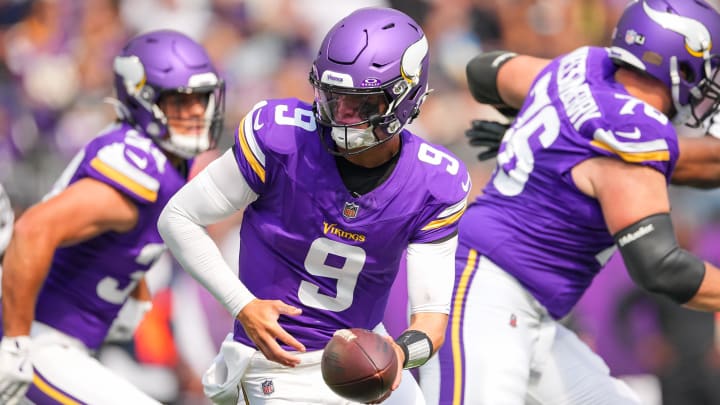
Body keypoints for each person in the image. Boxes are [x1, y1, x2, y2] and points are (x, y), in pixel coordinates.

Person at [158, 7, 469, 405]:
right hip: (276, 363)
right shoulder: (281, 137)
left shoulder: (434, 183)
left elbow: (431, 322)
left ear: (405, 98)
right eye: (333, 98)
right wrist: (243, 306)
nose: (342, 116)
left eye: (361, 104)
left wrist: (398, 354)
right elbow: (178, 217)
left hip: (361, 361)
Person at [419, 1, 720, 404]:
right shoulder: (630, 136)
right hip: (483, 295)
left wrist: (542, 134)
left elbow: (484, 71)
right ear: (680, 66)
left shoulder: (584, 67)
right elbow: (661, 267)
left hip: (528, 310)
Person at [0, 29, 225, 405]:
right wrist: (15, 343)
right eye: (179, 103)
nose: (196, 113)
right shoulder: (141, 170)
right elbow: (31, 230)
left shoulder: (164, 157)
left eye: (200, 100)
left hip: (64, 342)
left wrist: (134, 286)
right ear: (141, 99)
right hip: (39, 339)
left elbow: (117, 234)